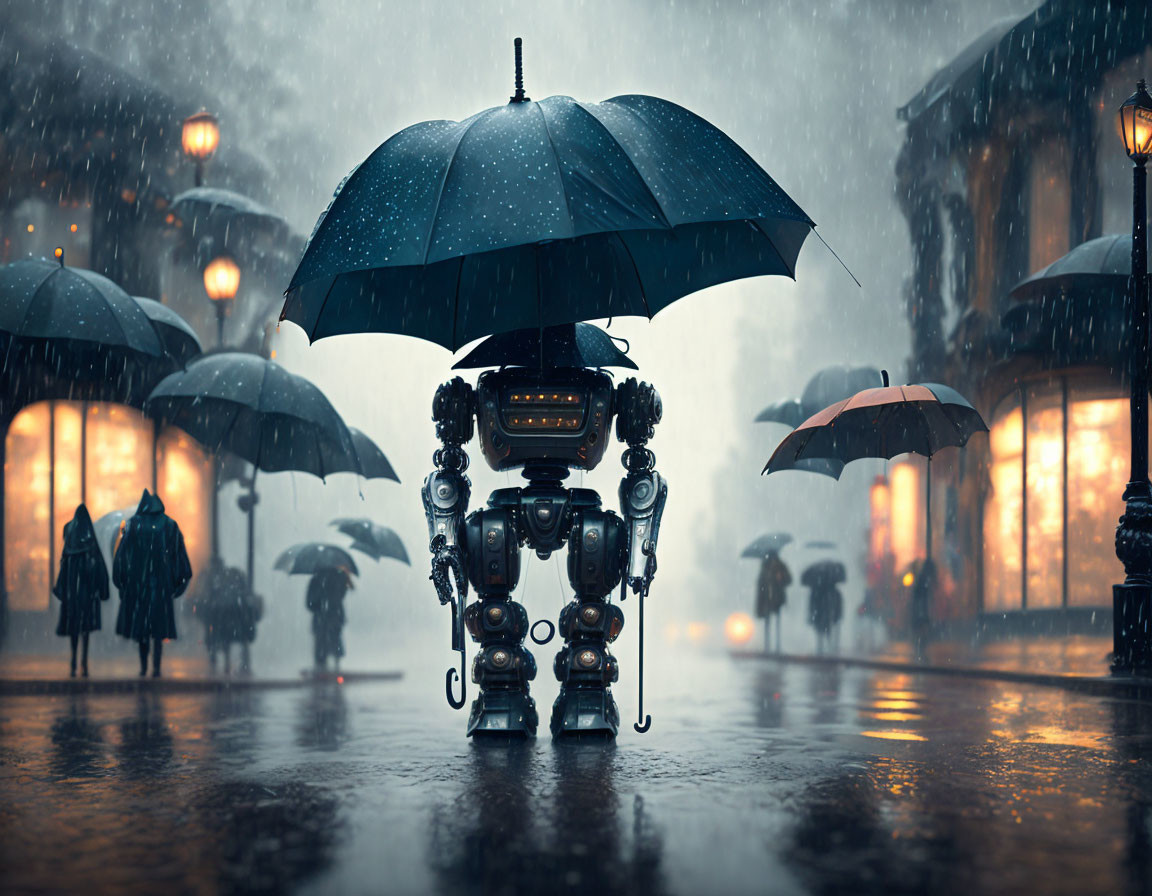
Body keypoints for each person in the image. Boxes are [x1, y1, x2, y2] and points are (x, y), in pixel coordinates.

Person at [113, 489, 192, 677]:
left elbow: (122, 557)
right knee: (158, 628)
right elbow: (180, 558)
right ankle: (156, 667)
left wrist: (122, 582)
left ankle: (143, 667)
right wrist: (178, 583)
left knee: (142, 629)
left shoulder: (133, 524)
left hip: (138, 585)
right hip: (161, 586)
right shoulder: (170, 525)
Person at [53, 504, 109, 677]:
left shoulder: (70, 543)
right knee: (85, 629)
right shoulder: (90, 540)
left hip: (73, 593)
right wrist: (103, 590)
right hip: (88, 594)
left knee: (74, 629)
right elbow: (100, 567)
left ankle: (73, 660)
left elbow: (64, 568)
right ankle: (84, 661)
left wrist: (62, 590)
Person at [198, 558, 262, 675]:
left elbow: (211, 598)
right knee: (239, 639)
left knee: (227, 639)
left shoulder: (219, 580)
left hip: (227, 616)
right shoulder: (232, 576)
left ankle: (228, 664)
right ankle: (243, 663)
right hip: (236, 615)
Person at [306, 567, 352, 672]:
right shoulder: (340, 578)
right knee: (332, 646)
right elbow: (342, 595)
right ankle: (333, 669)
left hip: (326, 619)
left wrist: (320, 603)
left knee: (325, 648)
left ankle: (324, 670)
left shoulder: (316, 580)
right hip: (332, 618)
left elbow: (309, 604)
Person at [754, 550, 791, 653]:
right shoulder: (765, 567)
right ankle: (768, 646)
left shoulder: (780, 566)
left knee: (775, 622)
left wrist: (781, 577)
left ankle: (776, 646)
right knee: (769, 622)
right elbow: (761, 583)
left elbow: (788, 579)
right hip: (768, 598)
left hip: (776, 598)